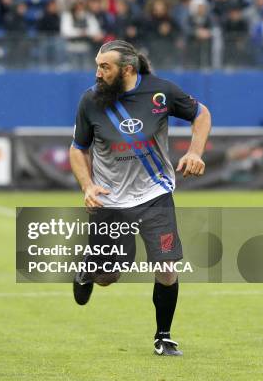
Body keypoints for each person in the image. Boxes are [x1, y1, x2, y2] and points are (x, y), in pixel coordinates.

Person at [69, 40, 212, 356]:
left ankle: (163, 337)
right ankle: (88, 270)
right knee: (108, 276)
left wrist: (195, 151)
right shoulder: (90, 101)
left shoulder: (161, 92)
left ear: (127, 69)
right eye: (97, 65)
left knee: (167, 266)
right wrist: (88, 187)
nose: (97, 73)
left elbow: (201, 114)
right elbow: (78, 149)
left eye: (105, 66)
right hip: (110, 200)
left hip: (155, 195)